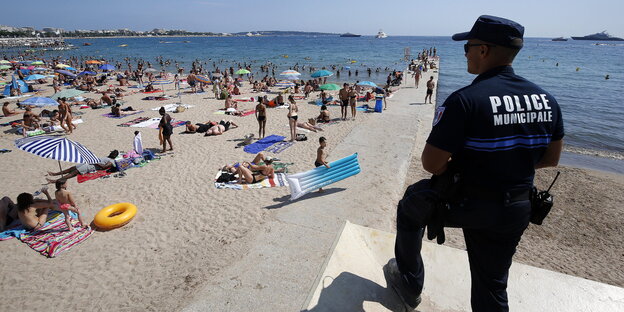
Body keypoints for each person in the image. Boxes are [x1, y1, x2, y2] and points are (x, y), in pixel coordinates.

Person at [384, 15, 565, 312]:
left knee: (410, 207)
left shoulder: (465, 100)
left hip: (470, 202)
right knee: (492, 285)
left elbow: (431, 163)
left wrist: (458, 171)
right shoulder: (547, 100)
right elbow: (551, 159)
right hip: (518, 206)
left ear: (483, 50)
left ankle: (408, 281)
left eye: (467, 46)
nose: (465, 52)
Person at [46, 150, 119, 183]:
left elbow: (104, 167)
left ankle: (57, 181)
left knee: (74, 172)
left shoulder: (111, 162)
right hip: (89, 163)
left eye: (112, 153)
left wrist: (96, 162)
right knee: (71, 168)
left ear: (114, 155)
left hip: (91, 166)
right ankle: (55, 174)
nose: (111, 153)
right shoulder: (108, 157)